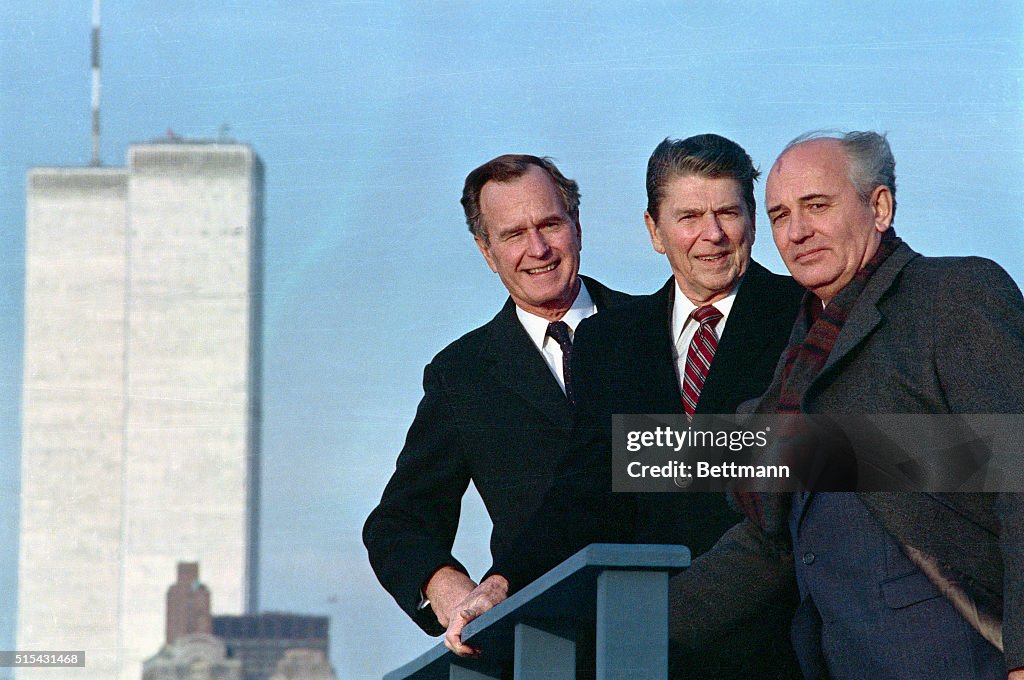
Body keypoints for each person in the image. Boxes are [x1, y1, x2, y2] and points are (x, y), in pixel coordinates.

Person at [443, 135, 805, 677]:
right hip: (643, 650)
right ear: (654, 231)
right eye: (689, 216)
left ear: (752, 220)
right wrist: (500, 585)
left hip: (780, 646)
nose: (713, 234)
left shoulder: (805, 317)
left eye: (728, 211)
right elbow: (585, 490)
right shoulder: (610, 341)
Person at [682, 130, 1023, 679]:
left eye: (817, 206)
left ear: (880, 206)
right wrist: (613, 627)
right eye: (778, 215)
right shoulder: (796, 364)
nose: (796, 231)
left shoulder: (953, 295)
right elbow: (770, 539)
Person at [363, 155, 629, 635]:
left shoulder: (657, 328)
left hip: (677, 624)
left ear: (578, 226)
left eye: (550, 224)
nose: (539, 249)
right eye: (513, 235)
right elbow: (399, 523)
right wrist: (453, 592)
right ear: (487, 252)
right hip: (543, 640)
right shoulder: (461, 375)